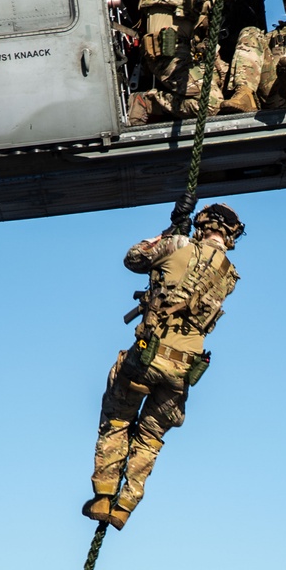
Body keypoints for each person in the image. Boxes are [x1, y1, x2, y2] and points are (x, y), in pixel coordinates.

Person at [82, 203, 244, 530]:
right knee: (152, 436)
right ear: (230, 234)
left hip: (147, 358)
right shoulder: (230, 274)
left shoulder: (178, 245)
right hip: (182, 372)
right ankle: (127, 502)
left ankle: (103, 494)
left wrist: (170, 232)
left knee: (117, 418)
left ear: (202, 224)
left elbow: (134, 258)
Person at [102, 0, 256, 123]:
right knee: (210, 104)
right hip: (166, 52)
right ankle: (147, 102)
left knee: (233, 89)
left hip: (194, 57)